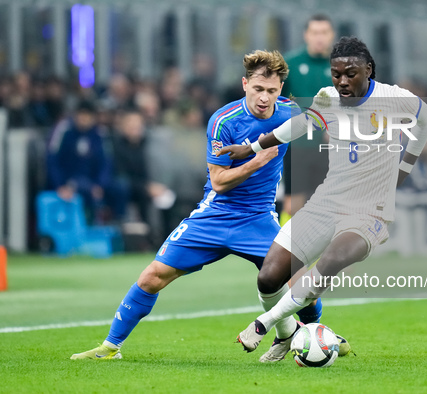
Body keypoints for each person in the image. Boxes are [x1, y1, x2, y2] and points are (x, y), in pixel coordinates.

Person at [70, 50, 321, 361]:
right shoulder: (223, 121)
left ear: (280, 89)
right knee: (152, 277)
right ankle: (110, 348)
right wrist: (258, 161)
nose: (264, 97)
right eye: (258, 89)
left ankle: (317, 339)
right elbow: (218, 181)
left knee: (303, 281)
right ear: (245, 84)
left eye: (271, 90)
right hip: (215, 215)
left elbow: (319, 123)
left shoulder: (290, 114)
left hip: (258, 217)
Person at [218, 37, 427, 360]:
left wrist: (405, 166)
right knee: (269, 276)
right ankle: (286, 335)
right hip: (326, 203)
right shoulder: (328, 100)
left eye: (351, 73)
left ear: (368, 70)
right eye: (336, 74)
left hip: (368, 213)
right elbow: (298, 126)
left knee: (330, 262)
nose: (342, 81)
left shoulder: (394, 99)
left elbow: (426, 117)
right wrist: (251, 148)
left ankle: (263, 323)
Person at [281, 14, 335, 224]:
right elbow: (277, 101)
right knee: (293, 204)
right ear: (306, 35)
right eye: (315, 33)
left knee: (324, 205)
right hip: (298, 145)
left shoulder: (340, 66)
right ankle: (284, 251)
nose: (319, 38)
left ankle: (315, 255)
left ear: (331, 35)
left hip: (329, 147)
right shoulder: (291, 64)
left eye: (324, 33)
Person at [47, 100, 127, 223]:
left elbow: (106, 162)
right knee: (83, 187)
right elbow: (53, 160)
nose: (84, 119)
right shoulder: (64, 130)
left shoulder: (100, 133)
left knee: (121, 187)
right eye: (81, 115)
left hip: (94, 181)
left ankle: (118, 224)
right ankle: (90, 225)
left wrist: (100, 184)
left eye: (87, 116)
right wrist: (60, 185)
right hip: (71, 180)